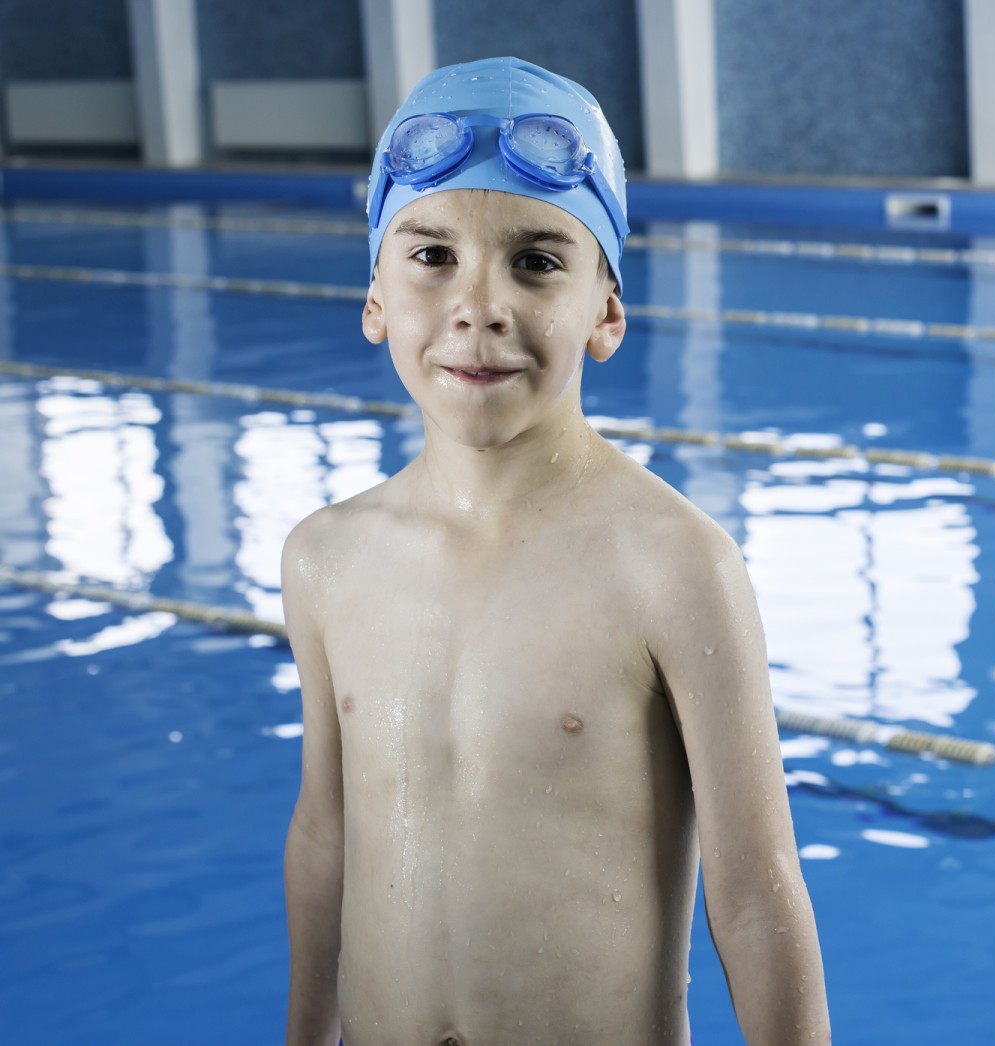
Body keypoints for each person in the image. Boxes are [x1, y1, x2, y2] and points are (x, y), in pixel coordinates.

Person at [281, 57, 830, 1046]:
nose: (478, 305)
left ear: (605, 313)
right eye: (431, 255)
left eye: (535, 263)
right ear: (375, 299)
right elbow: (325, 835)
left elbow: (755, 891)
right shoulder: (327, 559)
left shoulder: (671, 565)